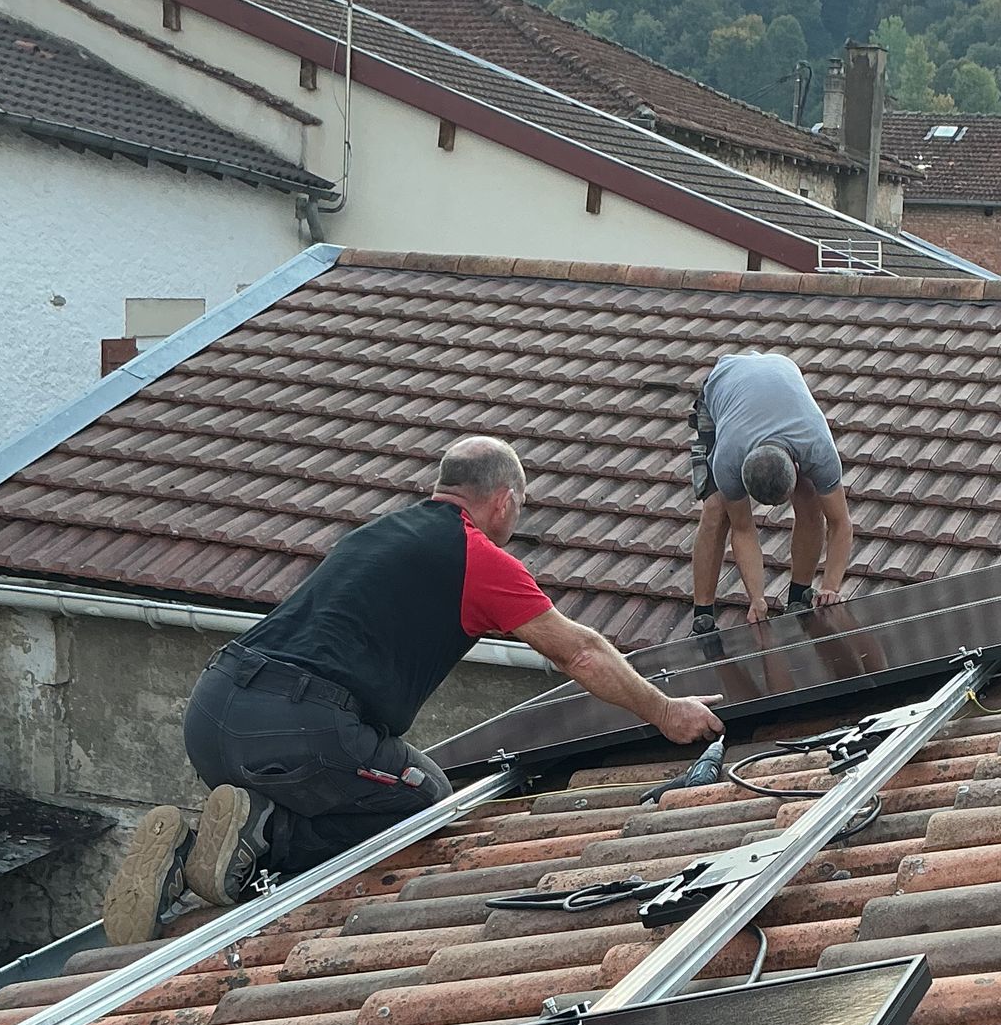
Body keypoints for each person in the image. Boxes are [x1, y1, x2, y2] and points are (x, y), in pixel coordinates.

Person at [102, 434, 724, 943]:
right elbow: (581, 652)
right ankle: (262, 836)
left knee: (346, 790)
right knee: (422, 802)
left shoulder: (375, 534)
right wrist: (665, 711)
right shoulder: (475, 556)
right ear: (504, 501)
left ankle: (190, 861)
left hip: (213, 712)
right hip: (299, 731)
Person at [689, 349, 853, 635]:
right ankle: (703, 614)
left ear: (795, 462)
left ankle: (799, 596)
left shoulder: (817, 446)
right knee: (717, 510)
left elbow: (840, 522)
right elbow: (743, 529)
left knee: (809, 495)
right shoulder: (728, 458)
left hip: (778, 373)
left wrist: (830, 586)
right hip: (724, 383)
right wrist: (757, 598)